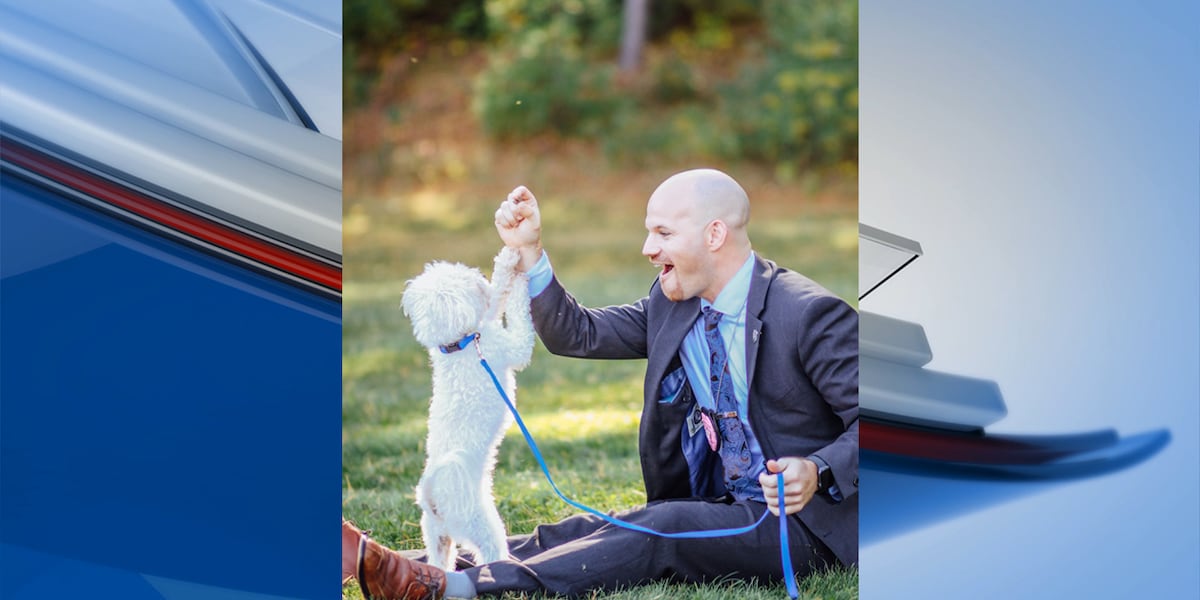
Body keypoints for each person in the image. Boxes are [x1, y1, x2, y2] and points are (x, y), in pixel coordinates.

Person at [344, 168, 858, 599]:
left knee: (663, 529)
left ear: (715, 235)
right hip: (726, 503)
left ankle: (450, 589)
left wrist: (815, 469)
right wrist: (529, 252)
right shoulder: (672, 302)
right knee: (601, 526)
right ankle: (385, 563)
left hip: (809, 526)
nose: (646, 248)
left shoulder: (810, 314)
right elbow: (579, 334)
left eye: (662, 233)